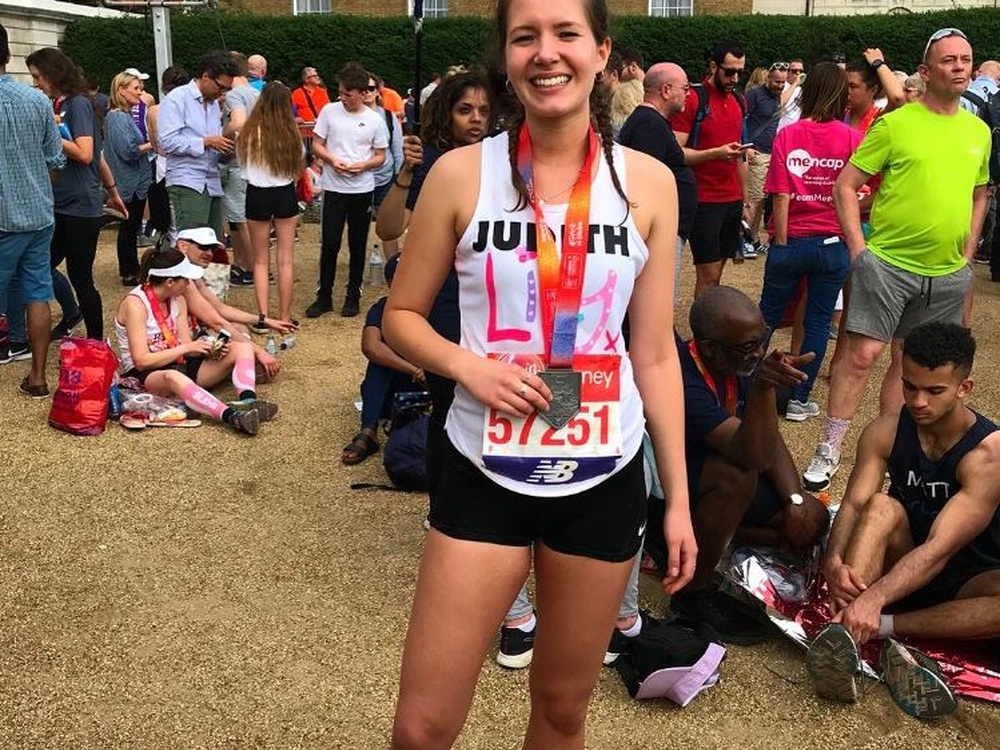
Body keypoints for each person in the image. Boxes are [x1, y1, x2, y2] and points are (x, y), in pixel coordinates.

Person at [385, 0, 694, 747]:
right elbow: (401, 318)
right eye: (526, 36)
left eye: (566, 34)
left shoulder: (649, 182)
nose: (546, 53)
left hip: (603, 468)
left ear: (600, 54)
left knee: (561, 711)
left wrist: (677, 498)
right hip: (483, 462)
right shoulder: (461, 174)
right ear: (506, 57)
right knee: (423, 726)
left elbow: (653, 352)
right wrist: (469, 368)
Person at [803, 28, 991, 493]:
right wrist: (857, 251)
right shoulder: (894, 124)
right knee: (862, 355)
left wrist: (967, 254)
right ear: (925, 72)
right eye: (948, 60)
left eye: (966, 59)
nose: (960, 67)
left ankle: (890, 448)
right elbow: (845, 185)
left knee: (910, 365)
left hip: (946, 274)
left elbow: (980, 193)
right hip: (886, 263)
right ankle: (829, 448)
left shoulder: (978, 131)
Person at [807, 322, 999, 716]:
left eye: (934, 391)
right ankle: (847, 637)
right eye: (910, 386)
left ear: (964, 388)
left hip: (967, 579)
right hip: (902, 559)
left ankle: (877, 629)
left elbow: (939, 550)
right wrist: (833, 560)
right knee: (880, 507)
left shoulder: (988, 455)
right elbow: (856, 505)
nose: (918, 401)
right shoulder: (885, 431)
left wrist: (876, 601)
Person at [654, 286, 828, 644]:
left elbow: (765, 436)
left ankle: (708, 540)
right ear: (708, 348)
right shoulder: (684, 379)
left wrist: (793, 500)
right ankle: (692, 594)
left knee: (812, 520)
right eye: (748, 347)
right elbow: (754, 454)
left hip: (718, 468)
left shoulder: (736, 359)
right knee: (737, 478)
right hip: (668, 486)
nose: (759, 352)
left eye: (760, 340)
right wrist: (764, 388)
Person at [758, 63, 862, 422]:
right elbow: (860, 193)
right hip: (833, 244)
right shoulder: (851, 138)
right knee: (818, 323)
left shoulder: (788, 135)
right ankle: (800, 400)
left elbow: (780, 196)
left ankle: (741, 390)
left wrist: (784, 244)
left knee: (766, 317)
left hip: (793, 240)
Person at [114, 245, 277, 436]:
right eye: (186, 279)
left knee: (241, 347)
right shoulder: (135, 304)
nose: (189, 284)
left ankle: (249, 401)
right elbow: (141, 361)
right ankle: (232, 416)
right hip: (147, 376)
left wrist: (209, 348)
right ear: (169, 282)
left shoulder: (178, 300)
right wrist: (188, 348)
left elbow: (186, 346)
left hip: (180, 363)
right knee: (173, 377)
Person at [26, 47, 127, 342]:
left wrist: (50, 131)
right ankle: (72, 315)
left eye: (37, 76)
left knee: (81, 276)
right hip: (64, 202)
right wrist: (111, 190)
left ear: (52, 73)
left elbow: (85, 154)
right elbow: (99, 157)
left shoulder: (78, 104)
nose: (35, 83)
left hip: (79, 206)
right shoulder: (65, 104)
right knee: (41, 267)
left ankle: (96, 341)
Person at [0, 24, 66, 396]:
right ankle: (38, 377)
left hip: (3, 217)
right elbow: (56, 159)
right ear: (7, 55)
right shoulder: (39, 101)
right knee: (37, 292)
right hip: (39, 212)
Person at [306, 62, 388, 319]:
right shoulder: (329, 112)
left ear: (362, 93)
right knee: (329, 243)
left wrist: (363, 165)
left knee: (357, 244)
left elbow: (381, 155)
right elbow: (317, 144)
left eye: (347, 94)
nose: (342, 98)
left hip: (361, 189)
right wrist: (332, 160)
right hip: (333, 187)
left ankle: (353, 296)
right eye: (340, 93)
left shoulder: (374, 119)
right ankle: (324, 297)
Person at [670, 41, 749, 298]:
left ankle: (707, 328)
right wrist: (715, 153)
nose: (734, 78)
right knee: (709, 274)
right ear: (713, 66)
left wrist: (746, 199)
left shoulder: (738, 99)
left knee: (718, 272)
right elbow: (675, 152)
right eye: (729, 71)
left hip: (732, 199)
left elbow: (740, 157)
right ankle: (703, 335)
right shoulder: (694, 98)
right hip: (703, 200)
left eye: (739, 72)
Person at [617, 62, 696, 303]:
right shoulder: (648, 124)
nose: (689, 93)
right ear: (665, 90)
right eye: (685, 87)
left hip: (665, 231)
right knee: (656, 300)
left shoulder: (652, 122)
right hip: (656, 234)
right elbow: (646, 184)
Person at [173, 226, 293, 380]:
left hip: (190, 338)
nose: (209, 253)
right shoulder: (180, 278)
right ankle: (240, 373)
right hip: (179, 350)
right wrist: (258, 351)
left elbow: (219, 308)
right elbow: (215, 321)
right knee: (239, 347)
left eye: (212, 249)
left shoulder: (189, 273)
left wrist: (264, 321)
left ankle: (240, 365)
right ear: (183, 246)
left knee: (238, 329)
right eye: (203, 247)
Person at [342, 254, 425, 465]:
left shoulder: (437, 305)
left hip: (433, 386)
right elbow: (370, 347)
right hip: (396, 386)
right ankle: (368, 431)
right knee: (379, 362)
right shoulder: (382, 308)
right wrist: (413, 369)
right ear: (390, 283)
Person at [236, 81, 302, 325]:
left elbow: (242, 166)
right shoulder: (291, 132)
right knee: (285, 258)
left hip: (257, 194)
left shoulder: (248, 133)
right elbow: (298, 167)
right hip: (285, 193)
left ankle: (263, 316)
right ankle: (284, 316)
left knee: (260, 259)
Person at [158, 50, 239, 240]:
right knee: (193, 244)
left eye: (227, 89)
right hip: (187, 181)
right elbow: (167, 142)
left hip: (211, 181)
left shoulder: (212, 104)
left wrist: (227, 148)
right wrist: (207, 141)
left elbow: (213, 143)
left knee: (214, 243)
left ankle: (214, 271)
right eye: (221, 87)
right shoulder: (177, 98)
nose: (223, 93)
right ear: (205, 77)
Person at [105, 70, 154, 287]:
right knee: (128, 228)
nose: (140, 92)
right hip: (129, 182)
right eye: (136, 88)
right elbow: (128, 151)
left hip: (134, 181)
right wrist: (153, 144)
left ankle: (131, 269)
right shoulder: (117, 117)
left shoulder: (121, 116)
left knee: (130, 227)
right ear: (121, 90)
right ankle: (129, 271)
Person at [220, 52, 259, 287]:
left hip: (237, 163)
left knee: (239, 218)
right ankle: (244, 263)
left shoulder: (234, 95)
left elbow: (238, 123)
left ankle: (252, 269)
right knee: (238, 219)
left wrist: (220, 137)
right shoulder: (257, 93)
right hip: (253, 162)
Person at [743, 62, 788, 251]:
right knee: (754, 199)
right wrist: (746, 147)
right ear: (768, 78)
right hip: (757, 151)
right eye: (777, 81)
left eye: (783, 82)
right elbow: (741, 119)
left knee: (762, 199)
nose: (780, 85)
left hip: (772, 153)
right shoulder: (755, 95)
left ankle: (753, 238)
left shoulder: (779, 97)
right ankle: (744, 240)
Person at [363, 72, 403, 262]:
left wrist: (399, 176)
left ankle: (392, 264)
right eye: (362, 88)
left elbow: (397, 148)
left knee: (389, 226)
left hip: (386, 178)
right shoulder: (352, 116)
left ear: (378, 91)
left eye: (371, 88)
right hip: (360, 178)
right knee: (359, 225)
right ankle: (358, 264)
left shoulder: (388, 117)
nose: (367, 92)